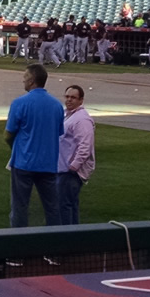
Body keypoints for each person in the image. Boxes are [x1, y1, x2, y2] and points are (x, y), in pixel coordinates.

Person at [5, 64, 65, 227]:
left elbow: (8, 134)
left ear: (31, 81)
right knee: (52, 208)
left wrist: (15, 147)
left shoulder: (19, 103)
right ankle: (56, 246)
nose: (23, 81)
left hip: (24, 163)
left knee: (19, 208)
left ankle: (20, 246)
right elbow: (58, 132)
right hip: (48, 164)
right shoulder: (57, 105)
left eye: (25, 78)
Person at [58, 85, 96, 225]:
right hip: (64, 168)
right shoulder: (68, 115)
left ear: (81, 100)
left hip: (70, 171)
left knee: (64, 205)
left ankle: (67, 237)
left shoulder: (82, 120)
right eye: (67, 97)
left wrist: (73, 167)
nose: (69, 100)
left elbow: (85, 147)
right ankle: (74, 236)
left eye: (73, 97)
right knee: (70, 204)